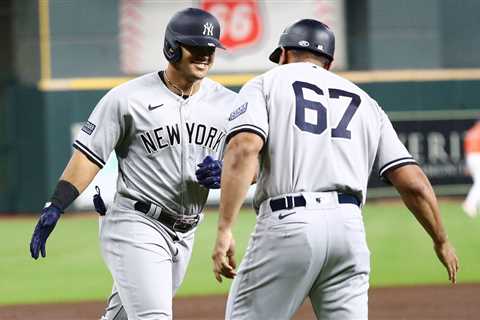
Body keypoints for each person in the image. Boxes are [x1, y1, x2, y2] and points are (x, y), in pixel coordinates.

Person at [211, 19, 460, 319]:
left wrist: (225, 228)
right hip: (349, 230)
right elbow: (414, 182)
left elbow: (246, 147)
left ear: (285, 54)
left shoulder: (266, 83)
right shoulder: (366, 102)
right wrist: (441, 240)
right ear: (327, 63)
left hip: (289, 223)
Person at [29, 7, 231, 320]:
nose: (205, 55)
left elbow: (253, 163)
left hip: (186, 229)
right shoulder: (128, 98)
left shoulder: (227, 103)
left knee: (122, 316)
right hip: (136, 223)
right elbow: (89, 155)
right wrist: (56, 205)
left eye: (211, 49)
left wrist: (228, 174)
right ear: (172, 47)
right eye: (197, 48)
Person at [462, 120, 480, 217]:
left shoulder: (470, 132)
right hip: (477, 156)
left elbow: (467, 151)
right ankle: (469, 204)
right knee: (479, 183)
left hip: (470, 158)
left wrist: (467, 165)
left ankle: (473, 204)